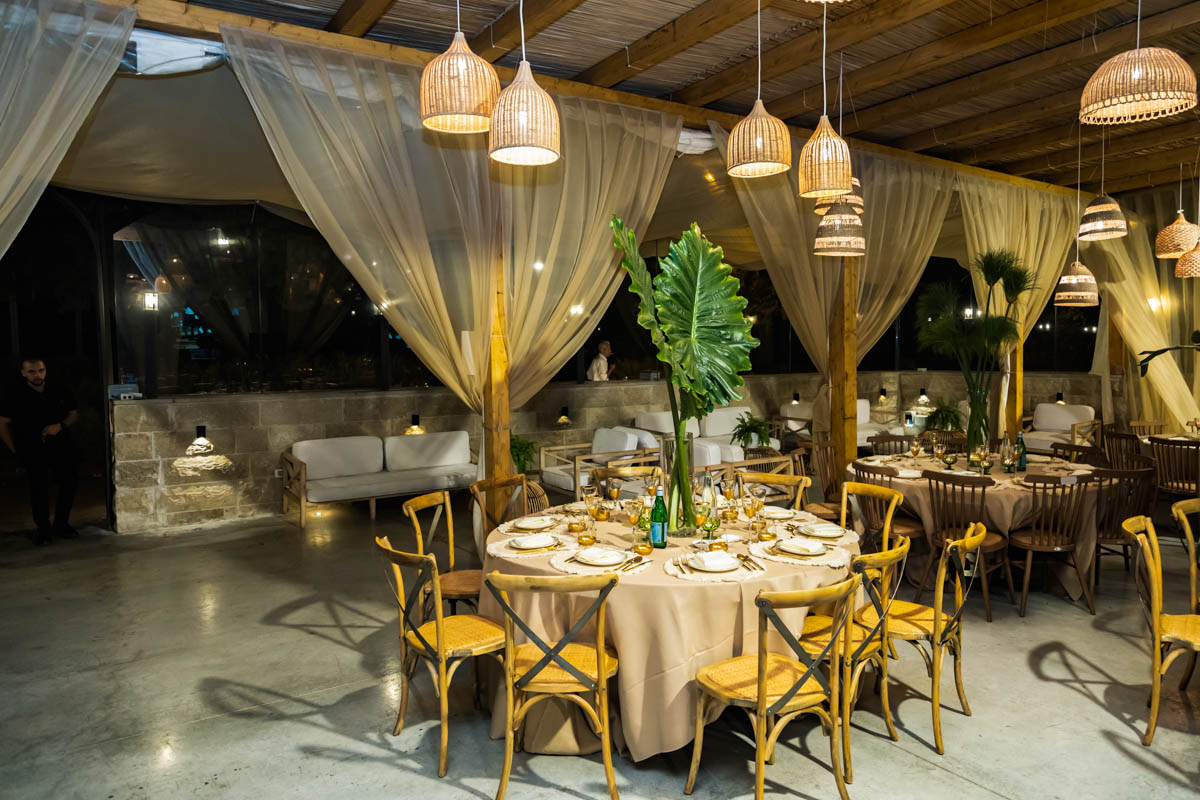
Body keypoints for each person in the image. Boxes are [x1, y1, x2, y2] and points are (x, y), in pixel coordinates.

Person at [0, 357, 80, 545]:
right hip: (32, 447)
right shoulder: (14, 394)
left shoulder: (58, 389)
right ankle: (43, 529)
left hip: (60, 445)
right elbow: (2, 423)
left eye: (41, 370)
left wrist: (60, 426)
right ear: (23, 373)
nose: (37, 375)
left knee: (69, 483)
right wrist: (15, 449)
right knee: (39, 489)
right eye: (32, 371)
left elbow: (74, 413)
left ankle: (61, 524)